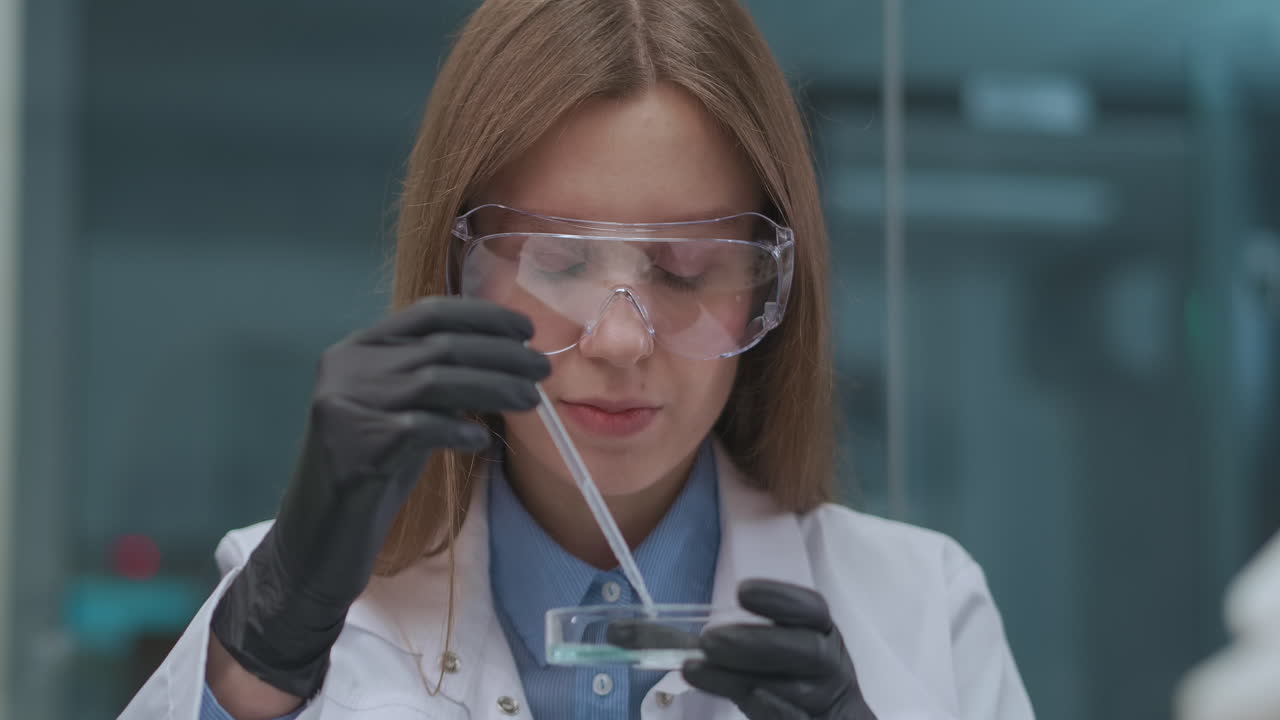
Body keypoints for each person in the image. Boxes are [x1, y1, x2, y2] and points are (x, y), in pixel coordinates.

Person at [120, 1, 1035, 718]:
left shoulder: (922, 611)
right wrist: (255, 666)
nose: (622, 340)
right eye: (558, 263)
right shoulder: (310, 617)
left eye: (685, 271)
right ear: (458, 271)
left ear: (768, 289)